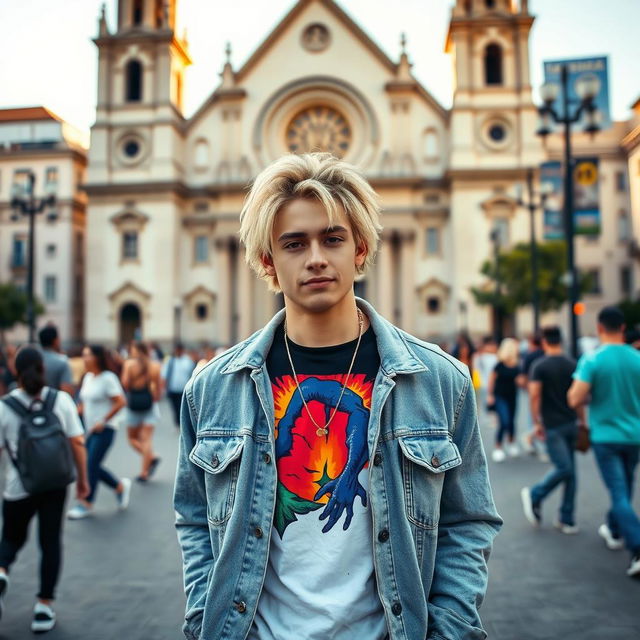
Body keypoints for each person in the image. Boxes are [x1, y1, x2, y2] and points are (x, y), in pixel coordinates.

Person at [173, 153, 501, 640]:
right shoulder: (214, 388)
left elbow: (468, 522)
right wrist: (204, 618)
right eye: (294, 243)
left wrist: (449, 630)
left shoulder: (439, 380)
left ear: (361, 249)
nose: (316, 258)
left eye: (332, 238)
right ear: (268, 260)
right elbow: (195, 518)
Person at [0, 346, 88, 633]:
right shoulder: (60, 400)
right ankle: (44, 606)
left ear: (15, 371)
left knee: (11, 539)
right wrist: (83, 481)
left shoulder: (5, 406)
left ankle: (2, 571)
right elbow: (77, 442)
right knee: (49, 542)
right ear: (42, 368)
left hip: (19, 485)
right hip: (54, 484)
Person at [568, 306, 640, 578]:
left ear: (599, 328)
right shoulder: (637, 358)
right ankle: (614, 529)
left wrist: (591, 400)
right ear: (623, 328)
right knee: (625, 486)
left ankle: (637, 547)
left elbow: (574, 398)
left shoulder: (593, 360)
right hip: (634, 435)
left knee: (618, 492)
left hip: (605, 436)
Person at [520, 326, 585, 534]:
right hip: (570, 422)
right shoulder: (573, 363)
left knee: (567, 470)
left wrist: (537, 422)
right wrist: (582, 421)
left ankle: (537, 496)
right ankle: (566, 517)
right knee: (569, 470)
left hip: (552, 424)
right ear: (561, 341)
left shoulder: (540, 366)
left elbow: (534, 395)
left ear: (545, 342)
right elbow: (579, 397)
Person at [67, 345, 131, 520]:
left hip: (105, 429)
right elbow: (84, 402)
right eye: (83, 355)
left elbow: (120, 402)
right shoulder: (88, 377)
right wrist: (74, 413)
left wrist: (103, 420)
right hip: (89, 429)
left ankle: (86, 503)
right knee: (90, 464)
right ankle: (119, 487)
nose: (84, 358)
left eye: (88, 355)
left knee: (90, 465)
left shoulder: (108, 378)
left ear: (97, 357)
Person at [121, 342, 161, 482]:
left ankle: (151, 458)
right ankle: (145, 469)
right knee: (147, 439)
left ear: (135, 350)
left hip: (134, 404)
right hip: (149, 404)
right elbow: (158, 390)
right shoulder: (155, 366)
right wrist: (153, 397)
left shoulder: (129, 365)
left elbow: (125, 385)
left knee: (132, 439)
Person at [487, 337, 520, 462]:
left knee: (511, 421)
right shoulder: (499, 365)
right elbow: (492, 380)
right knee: (504, 421)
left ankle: (511, 442)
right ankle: (498, 447)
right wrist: (490, 395)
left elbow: (520, 380)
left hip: (512, 396)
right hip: (500, 396)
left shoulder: (517, 365)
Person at [517, 333, 546, 458]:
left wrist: (525, 386)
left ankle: (531, 438)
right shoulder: (546, 354)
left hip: (532, 389)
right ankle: (538, 442)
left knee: (533, 416)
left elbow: (522, 377)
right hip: (547, 390)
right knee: (545, 417)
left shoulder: (529, 356)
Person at [161, 344, 195, 428]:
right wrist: (164, 387)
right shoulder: (170, 361)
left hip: (183, 389)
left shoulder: (188, 361)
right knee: (174, 407)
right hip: (172, 389)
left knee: (182, 407)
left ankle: (182, 423)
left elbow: (192, 374)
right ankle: (177, 423)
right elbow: (164, 375)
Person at [38, 325, 75, 396]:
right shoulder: (62, 361)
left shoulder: (33, 358)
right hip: (54, 404)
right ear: (55, 341)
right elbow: (67, 391)